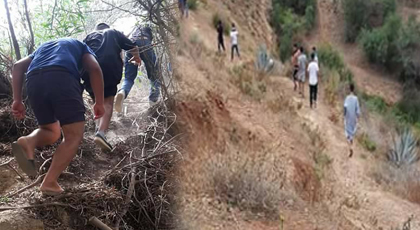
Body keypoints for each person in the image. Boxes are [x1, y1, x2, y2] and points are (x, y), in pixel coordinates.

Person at [11, 38, 105, 195]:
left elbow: (17, 66)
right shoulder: (81, 46)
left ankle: (28, 141)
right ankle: (50, 182)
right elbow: (95, 69)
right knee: (73, 135)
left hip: (34, 80)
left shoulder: (43, 47)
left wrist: (17, 100)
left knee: (50, 130)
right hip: (63, 78)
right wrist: (100, 102)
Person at [83, 23, 140, 152]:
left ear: (96, 29)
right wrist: (136, 58)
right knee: (108, 101)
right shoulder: (113, 32)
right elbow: (133, 47)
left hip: (88, 69)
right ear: (106, 27)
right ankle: (101, 133)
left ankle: (98, 127)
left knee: (96, 100)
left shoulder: (89, 37)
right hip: (109, 67)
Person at [115, 24, 160, 113]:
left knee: (129, 78)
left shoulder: (134, 32)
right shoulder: (148, 30)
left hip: (131, 46)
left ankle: (122, 92)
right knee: (154, 76)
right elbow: (149, 41)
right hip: (145, 43)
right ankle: (153, 102)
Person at [344, 83, 361, 158]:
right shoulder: (356, 99)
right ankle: (351, 146)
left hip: (348, 117)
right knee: (351, 133)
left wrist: (344, 115)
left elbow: (345, 107)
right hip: (353, 118)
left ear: (349, 89)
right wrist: (358, 118)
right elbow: (357, 110)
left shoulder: (347, 98)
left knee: (347, 132)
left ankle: (350, 148)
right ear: (354, 89)